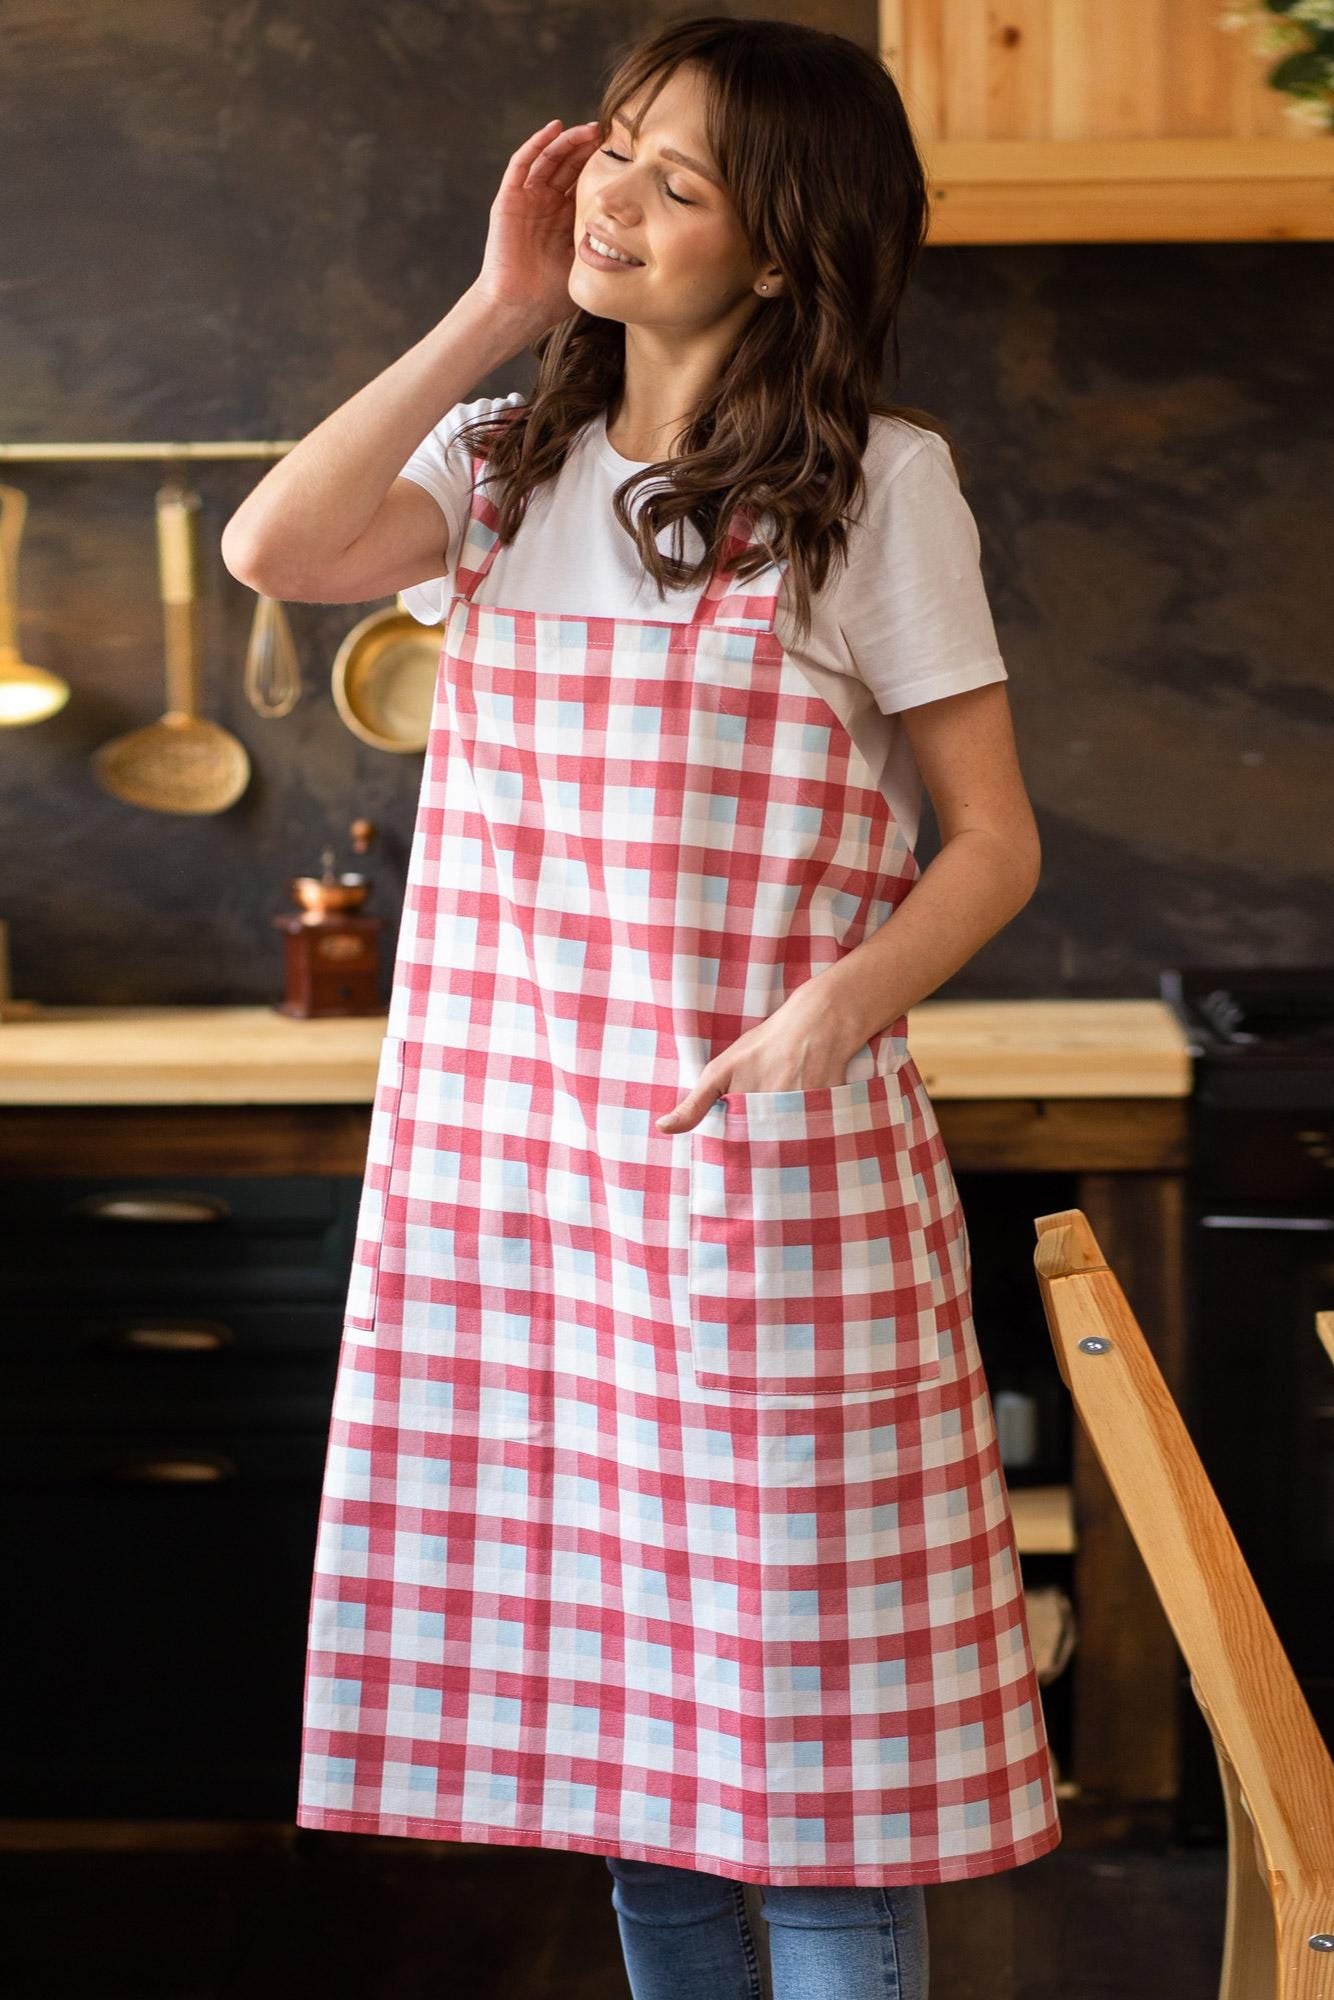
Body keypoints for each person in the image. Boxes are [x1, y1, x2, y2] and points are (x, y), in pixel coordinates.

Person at [223, 14, 1060, 1998]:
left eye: (680, 182)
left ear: (779, 251)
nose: (616, 195)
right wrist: (497, 307)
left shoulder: (876, 486)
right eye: (616, 147)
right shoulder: (499, 468)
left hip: (768, 1183)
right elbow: (276, 546)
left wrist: (827, 1017)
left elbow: (992, 843)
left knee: (814, 1768)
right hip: (531, 1196)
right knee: (635, 1767)